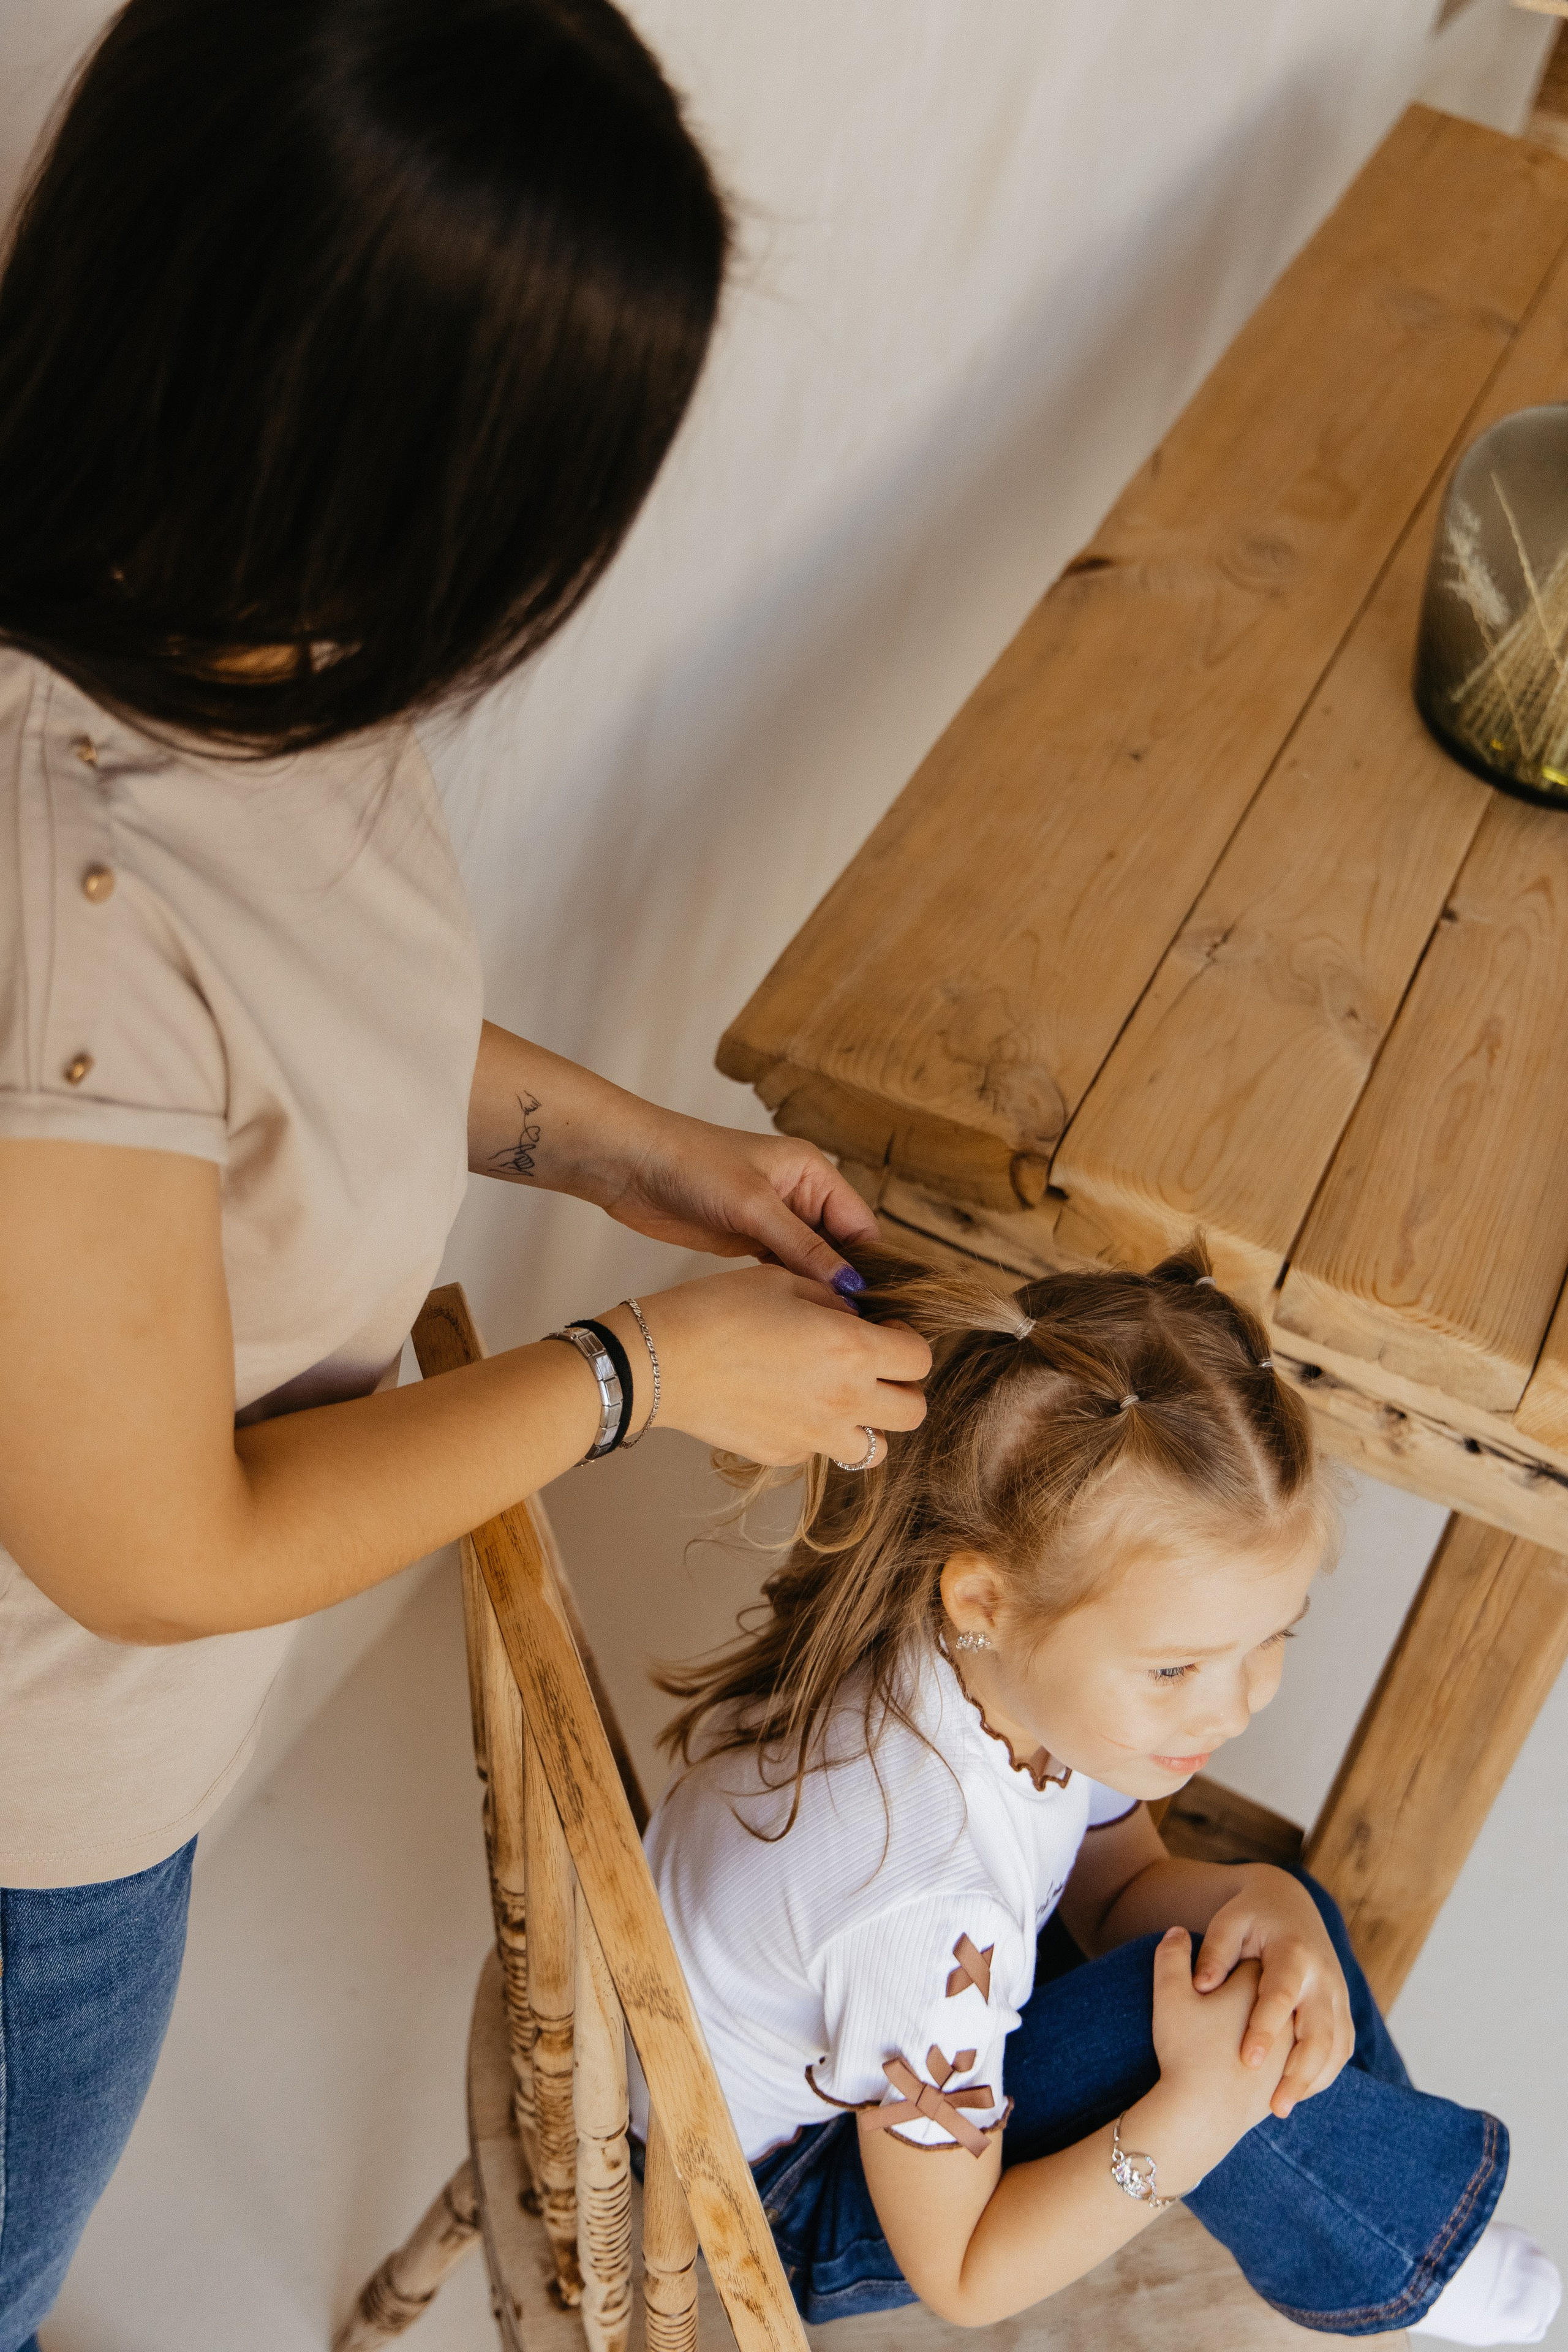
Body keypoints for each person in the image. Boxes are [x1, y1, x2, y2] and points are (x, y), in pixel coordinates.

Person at [0, 5, 932, 2346]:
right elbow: (162, 1544)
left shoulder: (226, 626)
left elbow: (283, 1043)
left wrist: (632, 1152)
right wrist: (631, 1378)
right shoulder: (52, 905)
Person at [639, 1245, 1561, 2345]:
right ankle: (1402, 2244)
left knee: (1268, 1931)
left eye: (1273, 1639)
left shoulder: (989, 1659)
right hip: (760, 2201)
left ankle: (1387, 2218)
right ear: (988, 1597)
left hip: (788, 2051)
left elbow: (1114, 1887)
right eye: (1176, 1668)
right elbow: (968, 2276)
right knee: (1207, 2032)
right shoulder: (932, 1908)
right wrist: (1194, 2119)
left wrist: (1269, 1901)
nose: (1233, 1709)